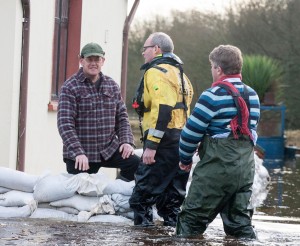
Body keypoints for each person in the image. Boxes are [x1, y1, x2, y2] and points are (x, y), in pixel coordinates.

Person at [176, 45, 260, 239]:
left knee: (190, 223)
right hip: (245, 171)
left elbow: (190, 134)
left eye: (212, 67)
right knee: (240, 226)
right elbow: (250, 132)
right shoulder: (252, 96)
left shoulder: (211, 96)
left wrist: (185, 159)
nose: (211, 71)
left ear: (218, 69)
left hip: (216, 173)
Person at [129, 32, 194, 227]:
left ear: (157, 49)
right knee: (171, 202)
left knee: (141, 199)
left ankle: (143, 238)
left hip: (162, 141)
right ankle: (174, 237)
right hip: (180, 140)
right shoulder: (182, 75)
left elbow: (163, 110)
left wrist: (151, 146)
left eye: (145, 48)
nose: (143, 53)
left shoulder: (156, 72)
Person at [57, 42, 140, 181]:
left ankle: (114, 193)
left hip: (108, 149)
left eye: (97, 59)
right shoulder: (70, 87)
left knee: (136, 165)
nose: (94, 63)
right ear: (81, 60)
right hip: (81, 154)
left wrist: (126, 141)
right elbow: (65, 125)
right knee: (82, 193)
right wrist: (78, 152)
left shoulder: (111, 85)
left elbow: (122, 118)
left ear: (103, 61)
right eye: (90, 59)